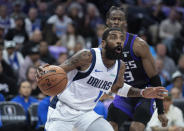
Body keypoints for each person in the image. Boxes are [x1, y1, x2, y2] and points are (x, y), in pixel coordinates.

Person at [36, 27, 167, 131]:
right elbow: (58, 71)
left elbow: (118, 88)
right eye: (113, 37)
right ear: (103, 43)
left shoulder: (120, 66)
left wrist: (142, 92)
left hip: (86, 113)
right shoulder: (87, 56)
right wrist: (44, 72)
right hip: (63, 111)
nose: (119, 41)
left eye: (121, 38)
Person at [105, 6, 168, 131]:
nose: (116, 22)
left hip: (145, 93)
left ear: (125, 22)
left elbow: (155, 78)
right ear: (107, 21)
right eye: (113, 19)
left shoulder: (138, 45)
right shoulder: (104, 46)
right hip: (124, 93)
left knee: (136, 128)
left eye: (120, 19)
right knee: (110, 127)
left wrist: (161, 111)